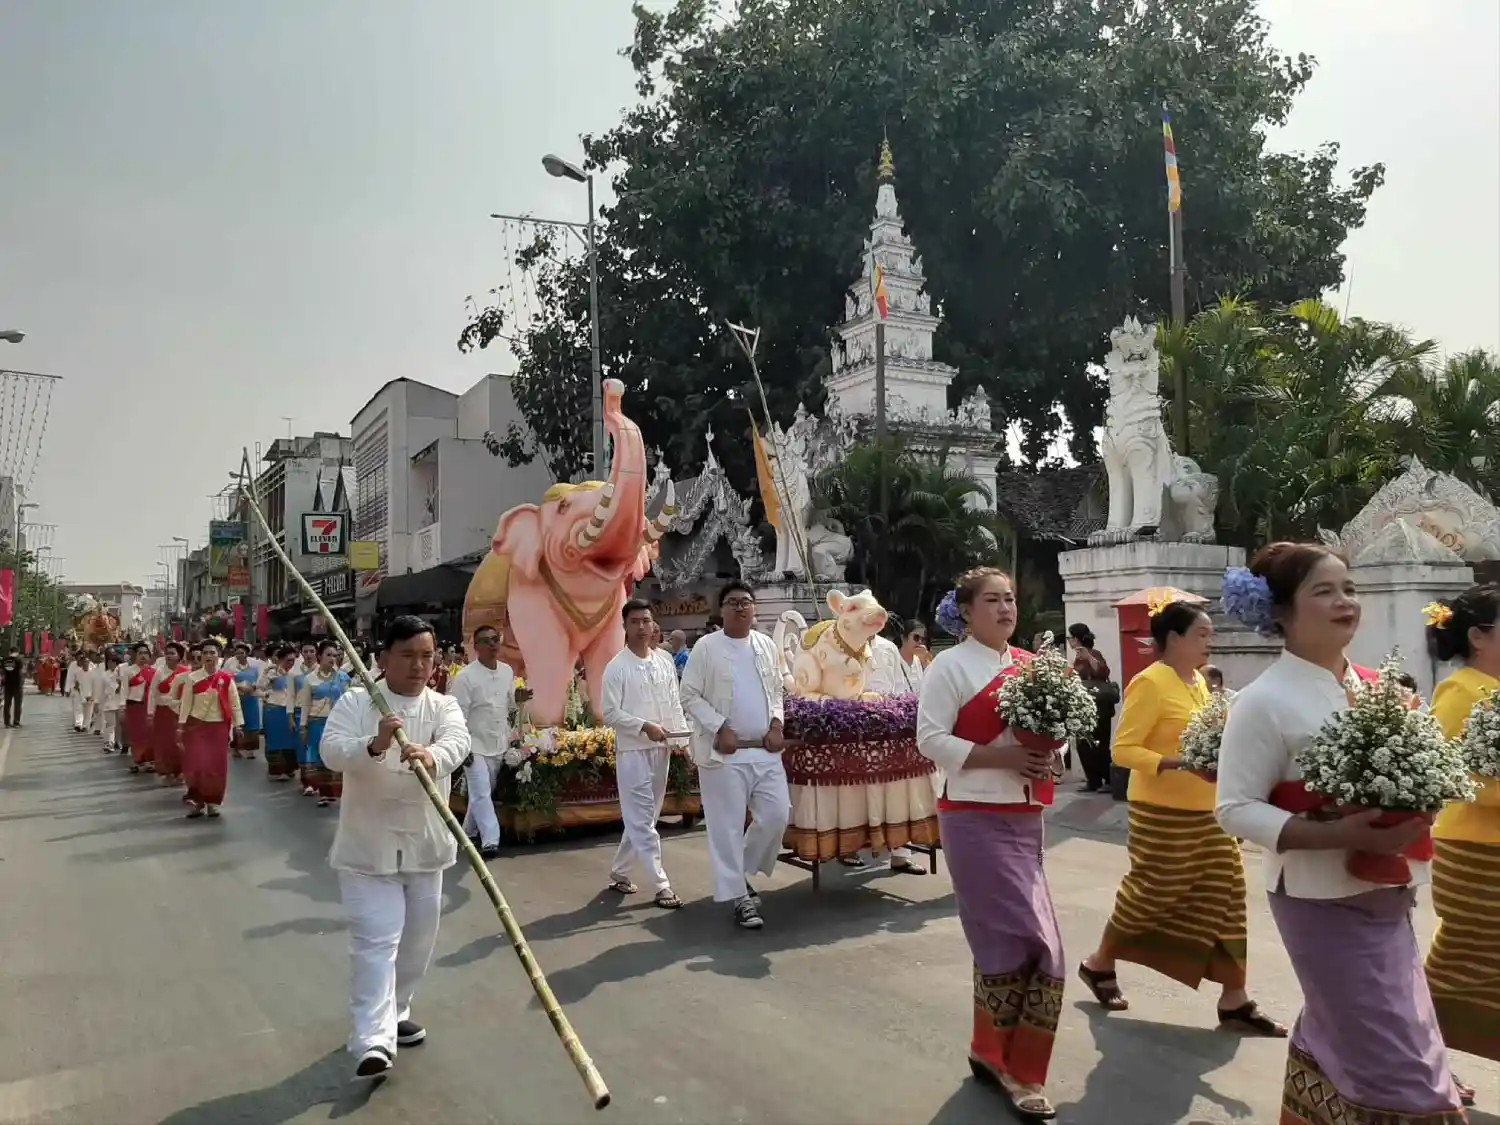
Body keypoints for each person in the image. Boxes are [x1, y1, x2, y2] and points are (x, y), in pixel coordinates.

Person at [1216, 541, 1463, 1124]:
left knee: (1357, 1036)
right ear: (1279, 611)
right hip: (1318, 900)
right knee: (1398, 1069)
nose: (1344, 601)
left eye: (1348, 588)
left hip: (1388, 895)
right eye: (1323, 591)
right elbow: (1234, 809)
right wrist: (1341, 834)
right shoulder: (1261, 702)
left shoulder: (1381, 689)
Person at [1078, 601, 1284, 1035]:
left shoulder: (1199, 684)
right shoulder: (1149, 683)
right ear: (1174, 639)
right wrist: (1178, 763)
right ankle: (1099, 963)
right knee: (1150, 894)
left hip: (1208, 811)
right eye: (1202, 634)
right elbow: (1123, 750)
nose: (1210, 641)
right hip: (1161, 812)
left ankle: (1235, 998)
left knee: (1228, 892)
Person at [915, 567, 1064, 1121]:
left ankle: (991, 1050)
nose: (1005, 609)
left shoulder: (1031, 667)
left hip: (1025, 818)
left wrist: (1051, 748)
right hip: (973, 817)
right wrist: (1000, 756)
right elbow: (929, 739)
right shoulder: (950, 667)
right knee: (1028, 944)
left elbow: (1060, 731)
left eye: (1010, 600)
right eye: (993, 601)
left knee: (1024, 943)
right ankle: (1016, 1070)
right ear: (967, 611)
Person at [318, 614, 470, 1080]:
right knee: (375, 940)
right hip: (368, 849)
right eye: (407, 656)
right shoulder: (357, 702)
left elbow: (458, 743)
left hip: (425, 847)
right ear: (383, 659)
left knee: (417, 943)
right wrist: (374, 744)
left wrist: (433, 756)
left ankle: (397, 1011)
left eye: (427, 656)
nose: (419, 665)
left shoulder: (443, 706)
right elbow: (331, 751)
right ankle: (372, 1040)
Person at [1425, 583, 1500, 1091]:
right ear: (1478, 636)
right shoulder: (1460, 691)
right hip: (1473, 853)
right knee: (1463, 963)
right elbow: (1446, 773)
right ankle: (1416, 1052)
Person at [680, 581, 790, 930]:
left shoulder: (766, 645)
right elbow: (689, 694)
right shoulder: (706, 648)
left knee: (777, 816)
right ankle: (739, 899)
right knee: (725, 828)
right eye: (733, 602)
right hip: (723, 755)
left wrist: (776, 723)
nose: (741, 608)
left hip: (763, 751)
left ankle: (738, 873)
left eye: (746, 602)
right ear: (721, 610)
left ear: (754, 609)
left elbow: (775, 690)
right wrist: (718, 727)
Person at [601, 599, 689, 909]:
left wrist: (682, 741)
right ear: (625, 627)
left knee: (645, 818)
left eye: (646, 621)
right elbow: (610, 713)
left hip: (661, 749)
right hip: (633, 752)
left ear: (653, 625)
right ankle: (661, 885)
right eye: (635, 621)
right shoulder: (617, 667)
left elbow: (674, 702)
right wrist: (643, 726)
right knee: (641, 821)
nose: (642, 627)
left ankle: (620, 870)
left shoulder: (664, 660)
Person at [857, 618, 930, 874]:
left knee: (899, 795)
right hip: (861, 729)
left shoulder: (887, 648)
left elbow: (900, 689)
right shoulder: (844, 644)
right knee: (866, 796)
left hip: (894, 728)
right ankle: (854, 847)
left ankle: (900, 854)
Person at [450, 624, 521, 859]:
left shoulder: (507, 671)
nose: (492, 644)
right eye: (485, 640)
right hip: (475, 744)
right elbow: (457, 714)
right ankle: (491, 840)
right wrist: (463, 746)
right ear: (476, 646)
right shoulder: (465, 677)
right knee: (481, 792)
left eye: (495, 639)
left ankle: (468, 832)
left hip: (498, 742)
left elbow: (509, 705)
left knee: (483, 793)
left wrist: (518, 699)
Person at [177, 638, 244, 819]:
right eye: (205, 653)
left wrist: (238, 725)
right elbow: (186, 704)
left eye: (212, 653)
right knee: (197, 765)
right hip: (196, 727)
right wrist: (181, 727)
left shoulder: (225, 679)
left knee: (216, 767)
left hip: (218, 727)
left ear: (219, 656)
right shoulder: (192, 679)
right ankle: (197, 802)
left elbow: (234, 703)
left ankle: (213, 803)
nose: (208, 656)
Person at [299, 640, 353, 808]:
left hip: (338, 723)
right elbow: (305, 704)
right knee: (320, 758)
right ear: (319, 656)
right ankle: (324, 793)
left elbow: (349, 700)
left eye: (335, 655)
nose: (332, 658)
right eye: (328, 655)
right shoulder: (310, 679)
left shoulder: (343, 677)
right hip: (316, 723)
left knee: (338, 755)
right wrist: (303, 726)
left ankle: (339, 792)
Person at [1067, 624, 1118, 794]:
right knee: (1084, 744)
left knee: (1100, 745)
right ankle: (1093, 780)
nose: (1070, 642)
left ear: (1078, 638)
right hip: (1084, 707)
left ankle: (1109, 780)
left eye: (1071, 638)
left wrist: (1088, 656)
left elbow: (1102, 672)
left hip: (1100, 707)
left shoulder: (1093, 654)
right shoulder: (1076, 658)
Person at [148, 643, 191, 784]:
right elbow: (152, 694)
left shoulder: (187, 672)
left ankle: (180, 772)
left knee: (179, 743)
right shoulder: (159, 672)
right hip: (162, 713)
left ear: (179, 656)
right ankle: (167, 773)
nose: (169, 656)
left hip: (179, 713)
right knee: (164, 744)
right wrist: (150, 713)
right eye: (167, 653)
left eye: (172, 653)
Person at [259, 646, 301, 782]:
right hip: (274, 709)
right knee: (275, 740)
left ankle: (289, 768)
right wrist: (267, 694)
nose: (291, 663)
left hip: (291, 710)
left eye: (293, 660)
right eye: (288, 660)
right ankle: (278, 769)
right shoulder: (271, 672)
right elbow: (259, 688)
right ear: (281, 659)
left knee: (291, 739)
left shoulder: (297, 673)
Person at [123, 643, 156, 771]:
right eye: (140, 653)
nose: (143, 656)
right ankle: (136, 760)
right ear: (135, 655)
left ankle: (148, 761)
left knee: (148, 735)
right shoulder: (128, 671)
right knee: (136, 735)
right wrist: (122, 707)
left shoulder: (153, 672)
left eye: (145, 653)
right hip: (134, 706)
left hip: (148, 707)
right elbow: (124, 690)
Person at [227, 642, 262, 760]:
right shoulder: (231, 669)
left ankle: (250, 750)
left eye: (242, 653)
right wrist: (239, 687)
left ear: (247, 654)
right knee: (239, 722)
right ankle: (237, 748)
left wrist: (253, 687)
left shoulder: (255, 669)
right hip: (238, 699)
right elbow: (228, 684)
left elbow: (260, 682)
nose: (240, 655)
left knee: (252, 723)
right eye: (237, 653)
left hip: (252, 698)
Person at [97, 649, 127, 752]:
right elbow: (102, 690)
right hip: (108, 702)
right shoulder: (105, 675)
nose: (111, 664)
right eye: (109, 662)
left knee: (119, 724)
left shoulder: (122, 674)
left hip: (120, 702)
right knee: (110, 724)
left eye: (113, 662)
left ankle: (118, 742)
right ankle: (108, 743)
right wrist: (98, 703)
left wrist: (120, 683)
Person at [66, 652, 93, 732]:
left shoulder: (92, 671)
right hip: (79, 693)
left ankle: (85, 725)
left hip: (89, 693)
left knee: (88, 711)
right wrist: (70, 688)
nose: (85, 664)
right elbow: (71, 679)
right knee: (78, 708)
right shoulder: (77, 671)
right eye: (83, 662)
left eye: (87, 662)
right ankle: (78, 724)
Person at [2, 649, 23, 728]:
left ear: (9, 652)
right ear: (17, 652)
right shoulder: (19, 660)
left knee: (7, 704)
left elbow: (3, 672)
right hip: (17, 685)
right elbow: (20, 672)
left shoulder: (4, 660)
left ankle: (7, 723)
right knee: (17, 704)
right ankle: (16, 722)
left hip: (7, 685)